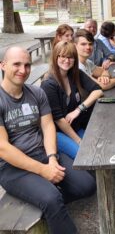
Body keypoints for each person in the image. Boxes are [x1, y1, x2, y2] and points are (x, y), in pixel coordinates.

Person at [0, 46, 96, 234]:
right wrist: (43, 171)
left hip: (43, 154)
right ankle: (51, 202)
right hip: (12, 168)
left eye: (27, 65)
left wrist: (52, 157)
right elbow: (3, 148)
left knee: (88, 185)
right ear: (2, 65)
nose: (23, 70)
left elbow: (48, 126)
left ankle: (49, 200)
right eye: (16, 64)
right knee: (51, 198)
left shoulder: (36, 93)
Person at [41, 41, 103, 159]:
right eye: (62, 56)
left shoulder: (75, 74)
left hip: (75, 126)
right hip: (57, 133)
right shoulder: (48, 84)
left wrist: (79, 109)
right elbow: (59, 120)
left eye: (70, 57)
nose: (67, 60)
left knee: (96, 148)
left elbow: (98, 91)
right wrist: (79, 141)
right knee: (85, 154)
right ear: (55, 57)